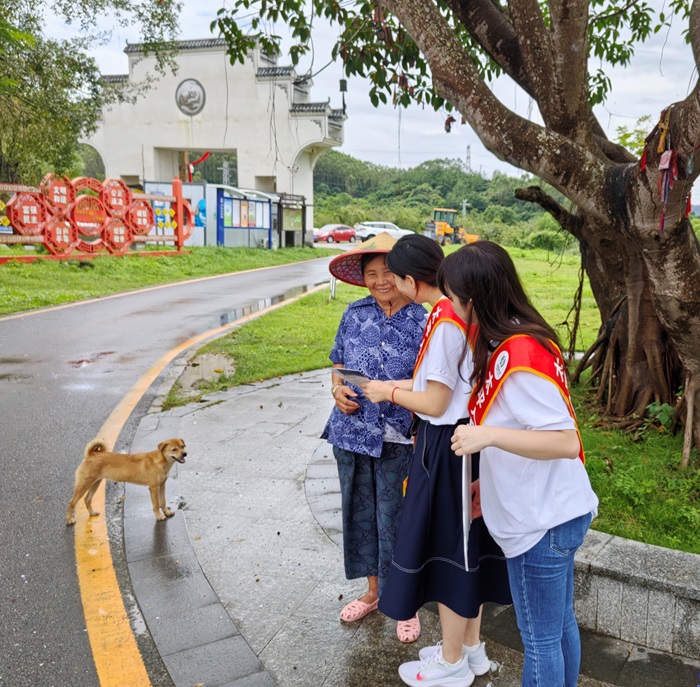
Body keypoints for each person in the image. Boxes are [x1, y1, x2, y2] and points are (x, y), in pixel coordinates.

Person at [442, 241, 599, 687]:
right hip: (555, 513)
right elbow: (524, 428)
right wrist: (484, 485)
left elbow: (565, 441)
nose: (450, 305)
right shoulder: (514, 340)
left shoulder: (520, 352)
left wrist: (484, 436)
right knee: (559, 628)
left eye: (452, 296)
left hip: (540, 523)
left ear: (472, 298)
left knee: (540, 640)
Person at [361, 234, 511, 687]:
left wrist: (388, 391)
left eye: (393, 276)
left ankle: (450, 663)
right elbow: (440, 382)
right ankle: (470, 650)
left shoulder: (445, 319)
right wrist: (396, 383)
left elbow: (435, 399)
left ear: (411, 280)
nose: (389, 282)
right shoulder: (455, 309)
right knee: (469, 552)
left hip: (447, 447)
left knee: (451, 554)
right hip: (462, 441)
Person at [321, 233, 428, 643]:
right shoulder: (354, 312)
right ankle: (372, 592)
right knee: (360, 515)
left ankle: (406, 601)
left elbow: (434, 382)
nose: (380, 281)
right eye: (371, 274)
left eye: (388, 272)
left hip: (401, 436)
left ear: (404, 275)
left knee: (397, 518)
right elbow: (339, 362)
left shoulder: (423, 318)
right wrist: (336, 389)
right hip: (351, 433)